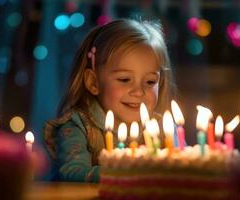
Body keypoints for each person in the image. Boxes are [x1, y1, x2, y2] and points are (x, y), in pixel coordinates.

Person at [43, 18, 175, 182]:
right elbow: (73, 173)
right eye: (124, 79)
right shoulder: (77, 127)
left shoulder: (161, 130)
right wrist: (131, 173)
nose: (139, 91)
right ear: (93, 82)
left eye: (150, 82)